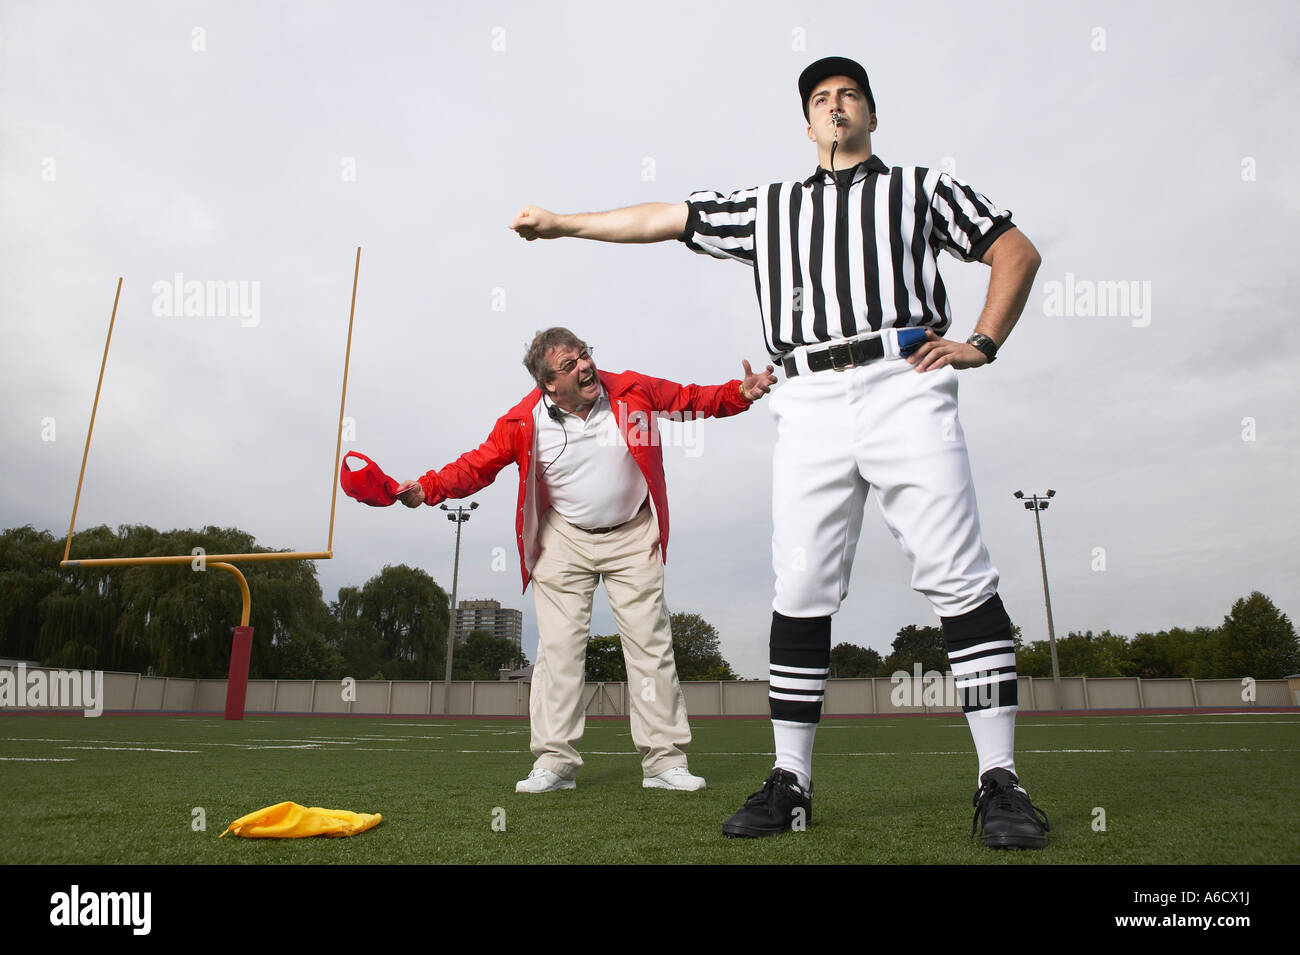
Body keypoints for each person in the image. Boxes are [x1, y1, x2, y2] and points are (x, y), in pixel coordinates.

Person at [506, 57, 1050, 847]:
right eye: (822, 98)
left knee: (957, 570)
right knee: (799, 585)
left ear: (871, 114)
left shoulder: (924, 187)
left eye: (849, 95)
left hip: (904, 375)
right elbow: (665, 216)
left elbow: (1016, 251)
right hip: (807, 393)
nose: (836, 105)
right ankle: (790, 781)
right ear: (806, 124)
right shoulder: (771, 206)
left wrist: (983, 341)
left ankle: (1000, 780)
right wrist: (563, 223)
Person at [396, 328, 776, 794]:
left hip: (633, 532)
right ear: (549, 384)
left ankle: (664, 762)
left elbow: (689, 399)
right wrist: (425, 489)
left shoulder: (632, 389)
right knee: (558, 653)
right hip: (563, 540)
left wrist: (741, 392)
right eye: (570, 364)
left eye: (585, 355)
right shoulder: (522, 422)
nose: (585, 366)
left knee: (650, 646)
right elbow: (476, 466)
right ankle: (555, 762)